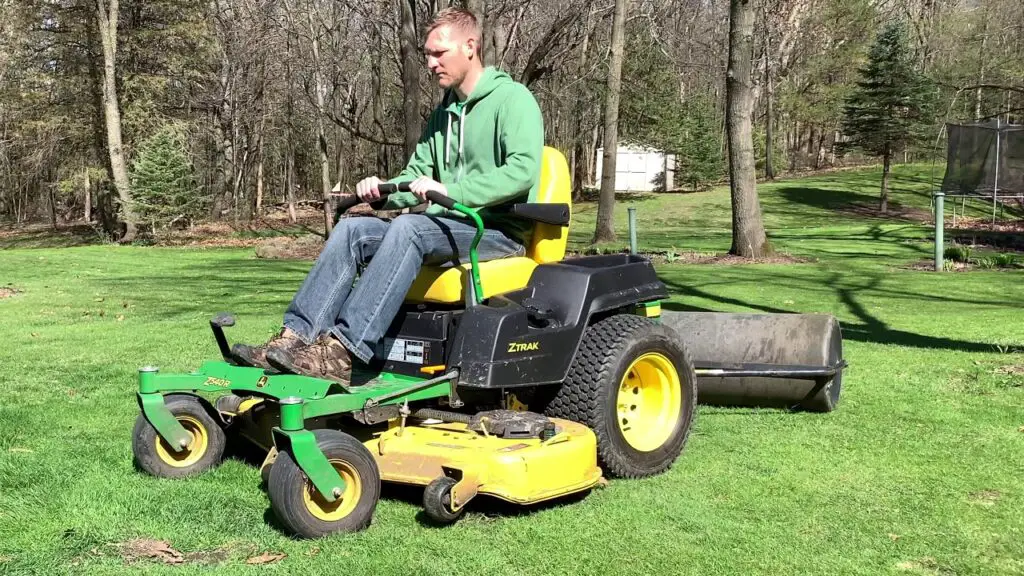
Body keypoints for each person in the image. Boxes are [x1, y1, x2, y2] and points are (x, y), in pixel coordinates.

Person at [231, 8, 545, 385]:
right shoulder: (442, 115)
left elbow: (522, 170)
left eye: (438, 53)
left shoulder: (512, 100)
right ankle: (297, 339)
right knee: (353, 230)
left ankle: (344, 351)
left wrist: (452, 191)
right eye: (427, 54)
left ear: (470, 46)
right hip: (446, 225)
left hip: (494, 232)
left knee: (410, 228)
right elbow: (416, 176)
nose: (430, 63)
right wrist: (381, 193)